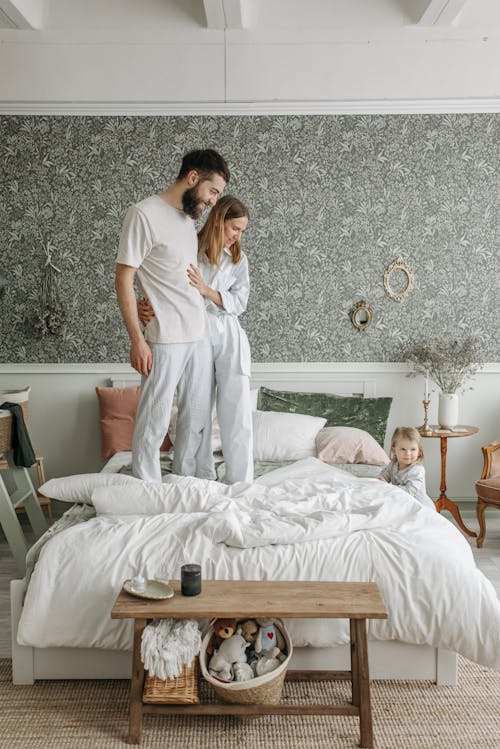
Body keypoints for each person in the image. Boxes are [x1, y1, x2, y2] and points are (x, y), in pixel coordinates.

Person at [115, 149, 230, 483]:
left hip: (199, 334)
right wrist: (137, 339)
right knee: (154, 418)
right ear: (193, 178)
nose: (211, 201)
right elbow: (123, 278)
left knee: (196, 418)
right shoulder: (143, 214)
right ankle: (148, 489)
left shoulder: (185, 220)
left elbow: (170, 275)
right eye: (212, 192)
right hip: (164, 338)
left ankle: (186, 483)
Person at [138, 195, 253, 484]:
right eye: (234, 228)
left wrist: (207, 291)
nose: (237, 236)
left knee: (236, 410)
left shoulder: (237, 258)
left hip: (228, 335)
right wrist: (146, 303)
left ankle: (240, 481)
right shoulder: (190, 248)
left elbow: (240, 302)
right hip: (194, 332)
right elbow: (167, 283)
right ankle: (196, 475)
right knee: (197, 407)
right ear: (219, 220)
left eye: (241, 231)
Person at [378, 426, 435, 509]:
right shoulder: (394, 464)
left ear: (419, 451)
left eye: (413, 449)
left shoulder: (417, 470)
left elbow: (409, 491)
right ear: (394, 450)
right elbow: (384, 475)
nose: (408, 453)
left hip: (420, 506)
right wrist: (380, 480)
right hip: (403, 503)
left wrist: (387, 487)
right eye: (403, 449)